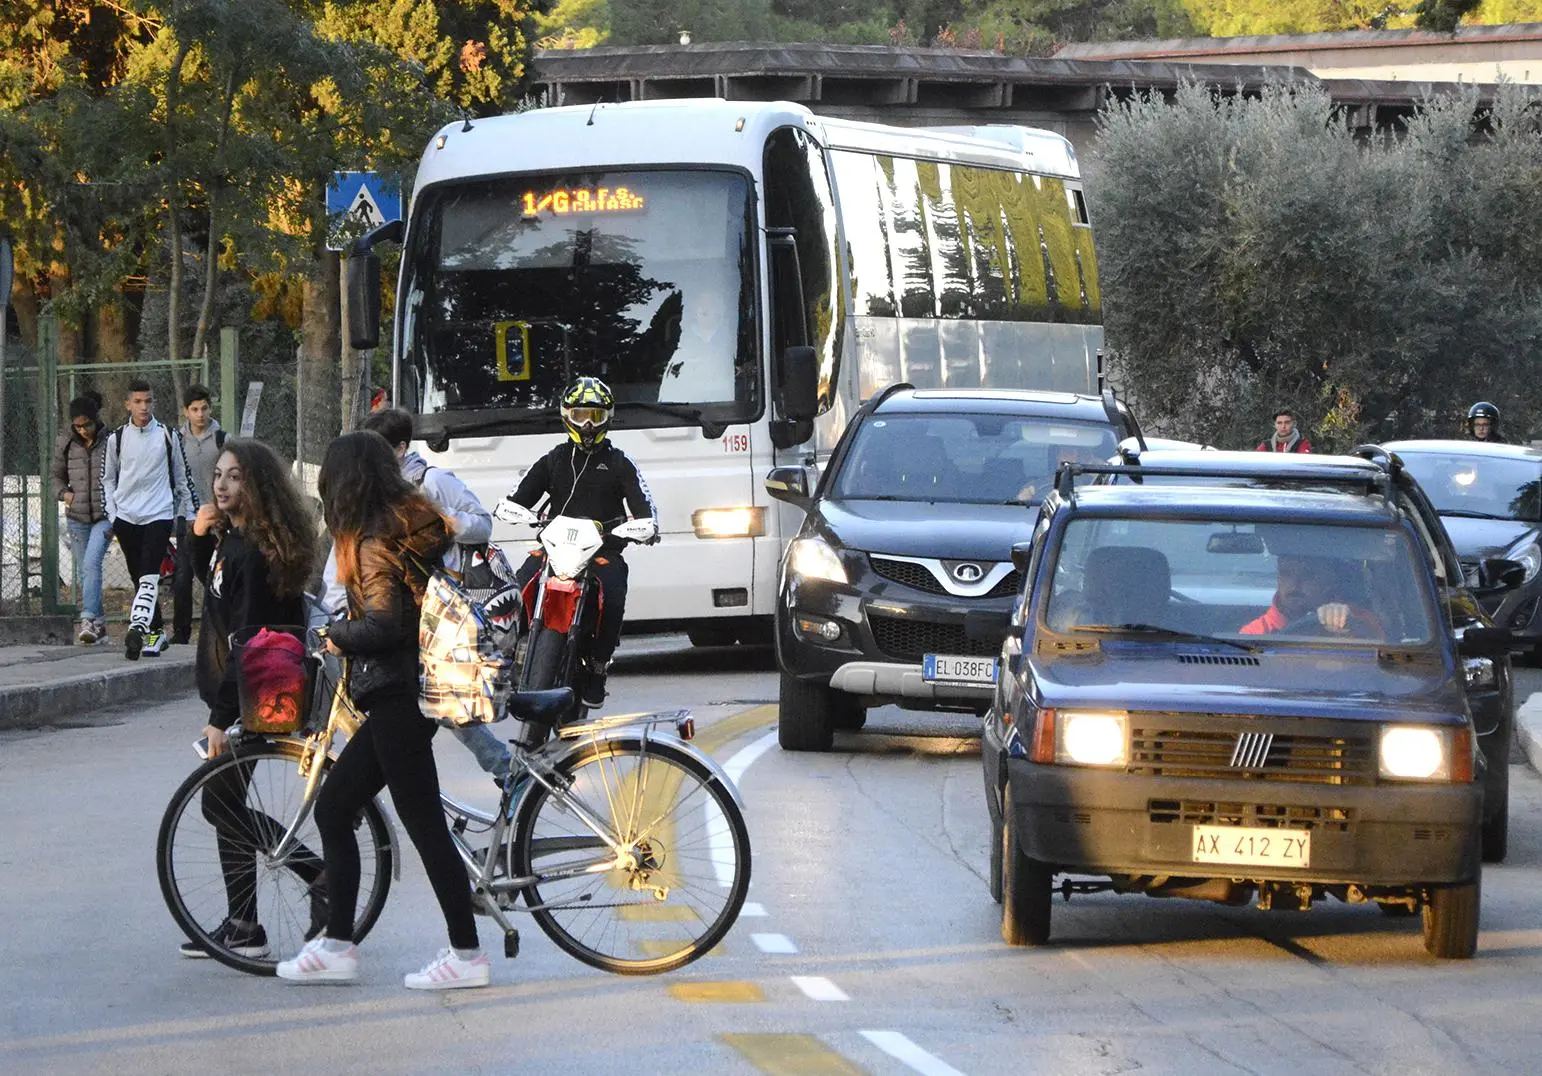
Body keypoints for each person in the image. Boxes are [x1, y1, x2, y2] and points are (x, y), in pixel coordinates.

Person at [277, 431, 487, 990]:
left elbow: (383, 623)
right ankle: (337, 945)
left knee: (425, 827)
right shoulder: (413, 521)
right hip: (408, 690)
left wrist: (335, 637)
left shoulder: (372, 542)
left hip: (397, 692)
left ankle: (466, 955)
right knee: (336, 805)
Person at [180, 438, 321, 960]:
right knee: (228, 805)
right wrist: (198, 540)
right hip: (239, 694)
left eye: (235, 476)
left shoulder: (256, 552)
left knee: (220, 804)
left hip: (257, 695)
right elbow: (217, 591)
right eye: (218, 474)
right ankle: (243, 925)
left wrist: (221, 718)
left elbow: (250, 640)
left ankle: (318, 875)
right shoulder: (233, 542)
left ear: (256, 485)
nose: (221, 484)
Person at [358, 407, 512, 782]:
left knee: (443, 699)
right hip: (407, 603)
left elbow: (483, 523)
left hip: (444, 604)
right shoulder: (377, 490)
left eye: (378, 450)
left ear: (400, 448)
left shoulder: (433, 481)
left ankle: (506, 767)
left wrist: (443, 522)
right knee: (427, 701)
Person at [494, 376, 659, 708]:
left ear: (607, 418)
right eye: (581, 413)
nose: (587, 423)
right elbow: (517, 497)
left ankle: (598, 668)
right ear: (566, 414)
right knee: (516, 585)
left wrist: (644, 528)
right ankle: (507, 653)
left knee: (613, 596)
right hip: (552, 549)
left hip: (602, 551)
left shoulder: (620, 462)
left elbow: (646, 511)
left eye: (595, 416)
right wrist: (515, 511)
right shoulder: (553, 458)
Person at [101, 378, 199, 660]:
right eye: (138, 402)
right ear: (128, 404)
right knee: (139, 577)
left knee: (149, 574)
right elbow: (107, 480)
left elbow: (182, 477)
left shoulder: (168, 435)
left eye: (148, 401)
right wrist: (113, 514)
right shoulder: (116, 439)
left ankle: (137, 628)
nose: (144, 407)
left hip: (159, 514)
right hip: (126, 517)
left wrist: (190, 514)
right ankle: (155, 633)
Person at [52, 394, 112, 645]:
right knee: (86, 571)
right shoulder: (65, 442)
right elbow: (55, 476)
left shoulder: (111, 441)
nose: (83, 430)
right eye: (77, 426)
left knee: (90, 564)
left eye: (86, 424)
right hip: (76, 517)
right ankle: (99, 627)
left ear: (95, 420)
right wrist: (64, 494)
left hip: (105, 516)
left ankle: (87, 618)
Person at [173, 385, 226, 644]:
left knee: (214, 575)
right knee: (182, 575)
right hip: (187, 516)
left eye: (204, 408)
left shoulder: (222, 439)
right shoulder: (176, 440)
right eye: (194, 409)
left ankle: (222, 624)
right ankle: (181, 634)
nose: (200, 414)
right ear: (186, 412)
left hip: (217, 518)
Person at [1240, 554, 1381, 638]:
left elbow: (1383, 664)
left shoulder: (1358, 619)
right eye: (1286, 574)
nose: (1294, 584)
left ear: (1328, 582)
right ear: (1278, 579)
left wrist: (1347, 627)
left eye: (1307, 575)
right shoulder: (1255, 633)